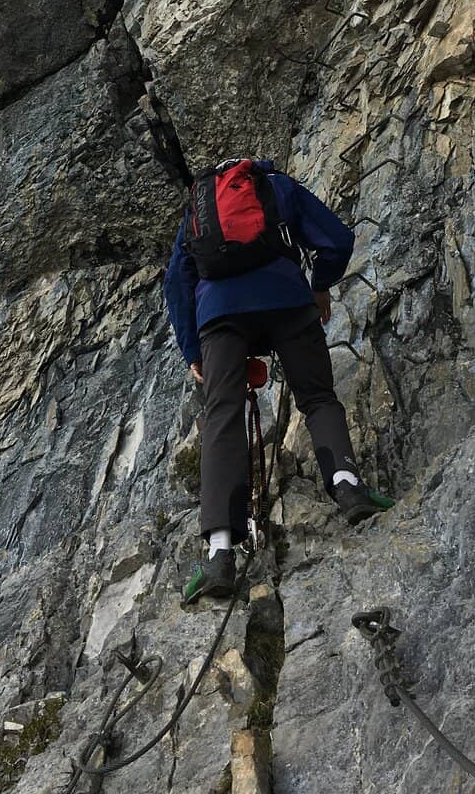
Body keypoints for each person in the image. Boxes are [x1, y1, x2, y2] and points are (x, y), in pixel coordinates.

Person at [164, 156, 385, 603]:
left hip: (220, 315)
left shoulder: (197, 208)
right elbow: (337, 239)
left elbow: (176, 282)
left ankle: (220, 553)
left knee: (222, 415)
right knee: (317, 396)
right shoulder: (276, 186)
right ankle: (347, 486)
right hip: (285, 298)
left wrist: (193, 350)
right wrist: (319, 285)